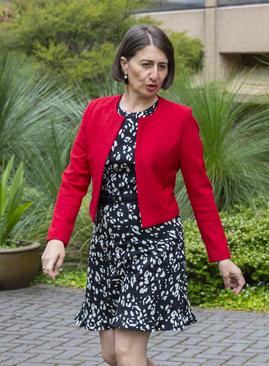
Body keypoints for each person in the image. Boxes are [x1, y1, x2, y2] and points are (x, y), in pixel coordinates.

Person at [40, 24, 245, 366]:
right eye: (146, 64)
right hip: (108, 243)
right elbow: (74, 179)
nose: (154, 75)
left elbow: (200, 192)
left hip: (154, 242)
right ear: (124, 64)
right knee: (111, 355)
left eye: (162, 67)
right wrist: (57, 237)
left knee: (127, 353)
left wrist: (221, 256)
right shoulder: (96, 112)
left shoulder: (179, 119)